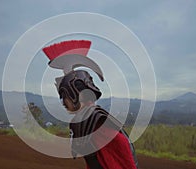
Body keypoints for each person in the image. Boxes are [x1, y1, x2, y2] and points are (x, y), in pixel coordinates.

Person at [43, 40, 138, 169]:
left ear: (74, 95)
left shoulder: (95, 121)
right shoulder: (88, 119)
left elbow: (120, 151)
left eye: (64, 97)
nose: (63, 102)